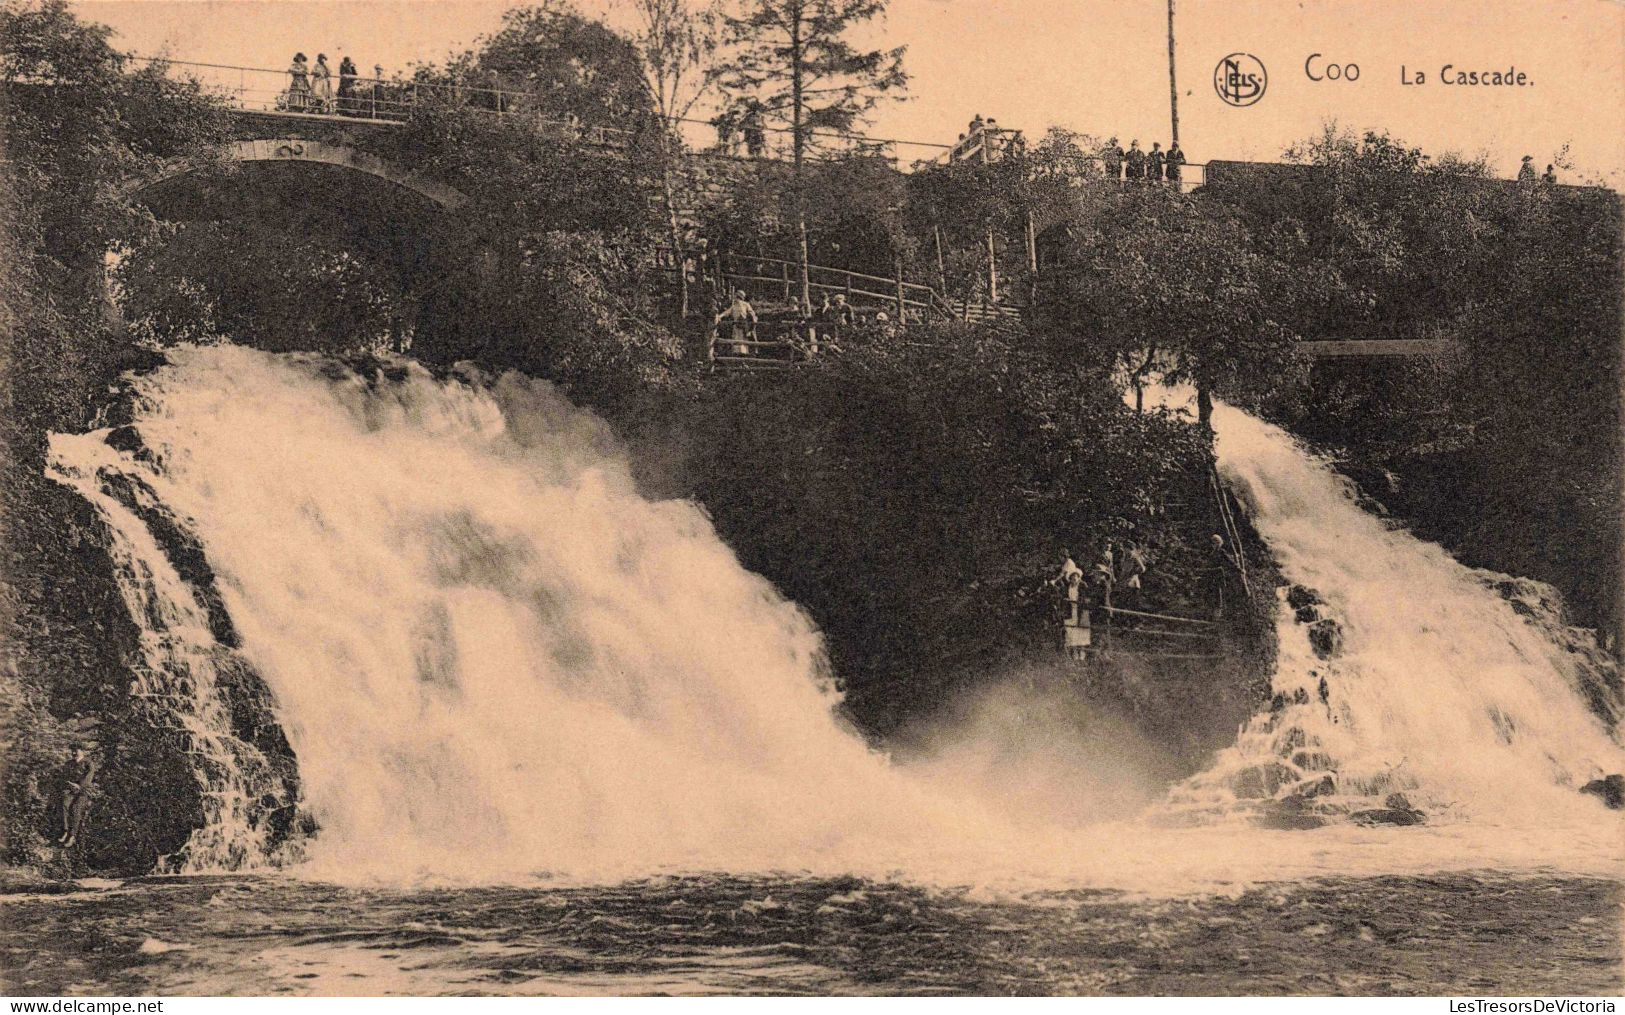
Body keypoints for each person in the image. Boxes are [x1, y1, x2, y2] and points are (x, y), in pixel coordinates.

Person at [56, 745, 97, 849]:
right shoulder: (69, 764)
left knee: (75, 809)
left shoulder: (88, 763)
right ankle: (65, 831)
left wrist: (79, 785)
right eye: (72, 751)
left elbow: (88, 778)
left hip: (83, 790)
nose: (74, 753)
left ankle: (72, 836)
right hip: (71, 789)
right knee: (63, 803)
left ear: (82, 751)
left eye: (76, 751)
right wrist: (68, 783)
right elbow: (64, 776)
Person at [716, 289, 757, 355]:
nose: (735, 298)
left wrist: (747, 319)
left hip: (743, 325)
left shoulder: (746, 304)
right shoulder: (734, 305)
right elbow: (727, 312)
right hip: (736, 325)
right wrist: (719, 316)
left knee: (743, 340)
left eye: (736, 296)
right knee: (736, 339)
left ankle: (743, 354)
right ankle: (737, 354)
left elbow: (752, 314)